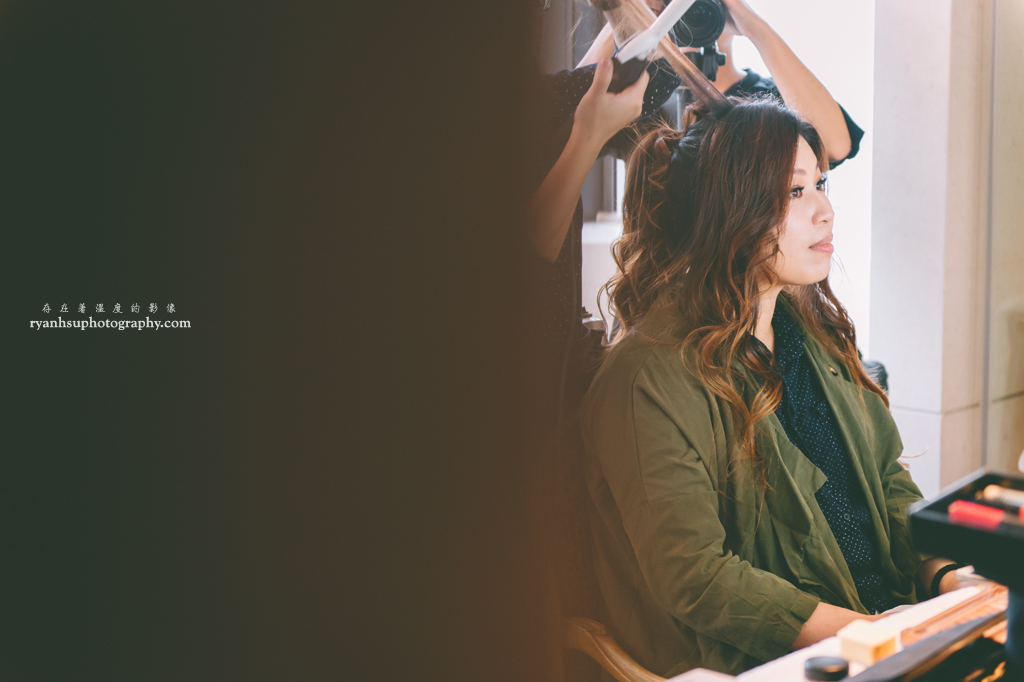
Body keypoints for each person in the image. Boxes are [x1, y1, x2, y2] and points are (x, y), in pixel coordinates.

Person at [580, 97, 964, 677]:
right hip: (766, 662)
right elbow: (698, 577)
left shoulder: (815, 336)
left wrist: (948, 577)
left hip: (883, 628)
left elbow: (888, 483)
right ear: (729, 210)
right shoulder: (647, 379)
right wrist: (871, 635)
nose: (826, 210)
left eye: (821, 185)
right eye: (795, 192)